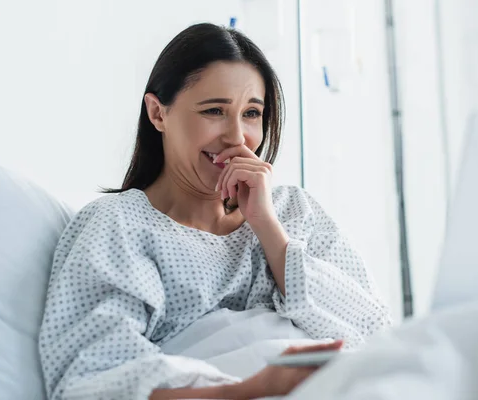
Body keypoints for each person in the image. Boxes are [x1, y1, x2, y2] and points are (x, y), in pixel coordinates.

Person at [38, 23, 390, 400]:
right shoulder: (118, 225)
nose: (237, 137)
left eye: (252, 113)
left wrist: (268, 227)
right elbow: (92, 381)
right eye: (214, 111)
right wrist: (249, 390)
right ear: (158, 113)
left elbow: (375, 333)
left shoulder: (294, 211)